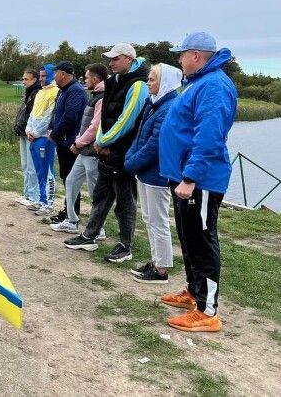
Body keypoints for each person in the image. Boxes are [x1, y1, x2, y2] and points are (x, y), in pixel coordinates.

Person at [158, 32, 237, 333]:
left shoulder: (214, 86)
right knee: (189, 236)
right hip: (184, 176)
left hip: (200, 180)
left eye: (182, 54)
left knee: (202, 240)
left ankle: (207, 311)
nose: (179, 60)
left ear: (196, 55)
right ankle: (193, 292)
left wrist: (190, 177)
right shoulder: (199, 83)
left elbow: (209, 136)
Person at [64, 43, 149, 263]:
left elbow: (128, 119)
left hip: (124, 151)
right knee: (101, 196)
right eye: (110, 59)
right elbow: (103, 118)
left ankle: (125, 245)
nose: (110, 63)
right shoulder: (112, 82)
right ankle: (90, 235)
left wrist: (104, 140)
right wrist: (101, 141)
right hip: (105, 150)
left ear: (129, 59)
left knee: (125, 201)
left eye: (115, 58)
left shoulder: (139, 84)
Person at [124, 63, 182, 284]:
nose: (148, 83)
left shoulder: (168, 108)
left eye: (152, 80)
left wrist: (131, 164)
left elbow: (154, 144)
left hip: (158, 174)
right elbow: (140, 137)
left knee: (158, 221)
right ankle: (156, 260)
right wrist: (131, 158)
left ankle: (162, 270)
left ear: (165, 82)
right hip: (144, 172)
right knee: (149, 219)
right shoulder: (153, 104)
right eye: (148, 79)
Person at [50, 63, 108, 235]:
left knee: (94, 191)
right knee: (71, 181)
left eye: (87, 76)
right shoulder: (95, 94)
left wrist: (78, 142)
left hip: (90, 151)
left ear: (96, 79)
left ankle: (99, 229)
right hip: (83, 149)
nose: (85, 79)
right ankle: (72, 220)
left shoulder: (101, 97)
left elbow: (94, 126)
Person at [47, 62, 88, 223]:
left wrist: (55, 134)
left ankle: (72, 214)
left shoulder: (75, 91)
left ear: (63, 74)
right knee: (67, 178)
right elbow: (57, 113)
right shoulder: (63, 90)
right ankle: (68, 210)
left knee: (71, 179)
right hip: (63, 142)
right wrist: (51, 128)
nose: (54, 76)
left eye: (55, 73)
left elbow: (70, 117)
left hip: (70, 142)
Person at [25, 64, 59, 213]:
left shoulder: (55, 92)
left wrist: (37, 133)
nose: (41, 79)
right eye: (40, 76)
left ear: (52, 75)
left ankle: (49, 203)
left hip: (45, 137)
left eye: (44, 76)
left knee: (47, 170)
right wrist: (28, 130)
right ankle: (41, 199)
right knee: (39, 170)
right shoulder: (40, 92)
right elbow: (33, 114)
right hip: (33, 137)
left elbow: (48, 117)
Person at [14, 69, 42, 207]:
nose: (23, 81)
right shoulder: (28, 93)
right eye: (23, 79)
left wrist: (30, 129)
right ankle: (26, 193)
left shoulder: (36, 93)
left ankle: (33, 196)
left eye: (26, 79)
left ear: (34, 80)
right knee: (25, 165)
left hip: (31, 134)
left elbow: (33, 115)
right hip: (23, 132)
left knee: (32, 166)